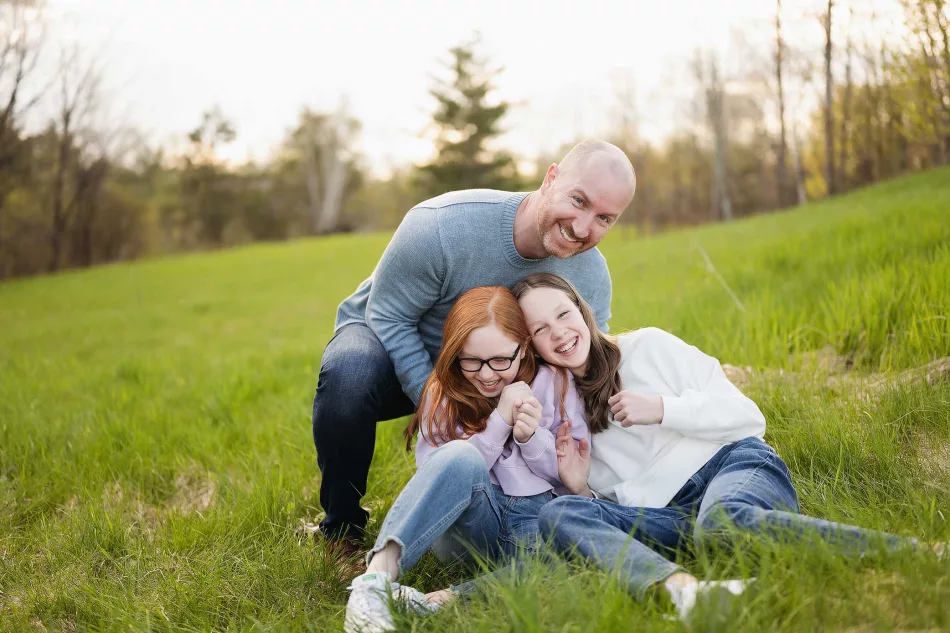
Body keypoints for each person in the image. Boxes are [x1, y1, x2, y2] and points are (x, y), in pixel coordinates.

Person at [512, 272, 943, 621]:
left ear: (581, 308)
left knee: (721, 522)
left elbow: (748, 416)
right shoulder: (559, 412)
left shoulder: (646, 347)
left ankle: (918, 553)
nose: (560, 333)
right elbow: (616, 509)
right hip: (673, 518)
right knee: (562, 512)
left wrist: (663, 408)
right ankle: (686, 594)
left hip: (729, 465)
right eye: (540, 329)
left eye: (563, 314)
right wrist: (582, 488)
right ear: (531, 345)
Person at [312, 141, 636, 551]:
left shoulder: (589, 275)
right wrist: (442, 401)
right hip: (388, 335)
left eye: (604, 218)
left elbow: (590, 365)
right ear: (550, 178)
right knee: (349, 375)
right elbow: (390, 316)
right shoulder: (441, 227)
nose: (583, 227)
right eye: (578, 200)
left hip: (494, 364)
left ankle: (504, 503)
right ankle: (342, 532)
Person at [344, 285, 588, 633]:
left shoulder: (555, 382)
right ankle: (374, 583)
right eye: (472, 361)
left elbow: (570, 475)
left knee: (564, 563)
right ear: (454, 353)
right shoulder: (442, 391)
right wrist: (498, 424)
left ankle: (432, 602)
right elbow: (439, 475)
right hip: (470, 526)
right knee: (459, 454)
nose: (487, 375)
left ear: (525, 348)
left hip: (533, 520)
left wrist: (532, 438)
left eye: (501, 360)